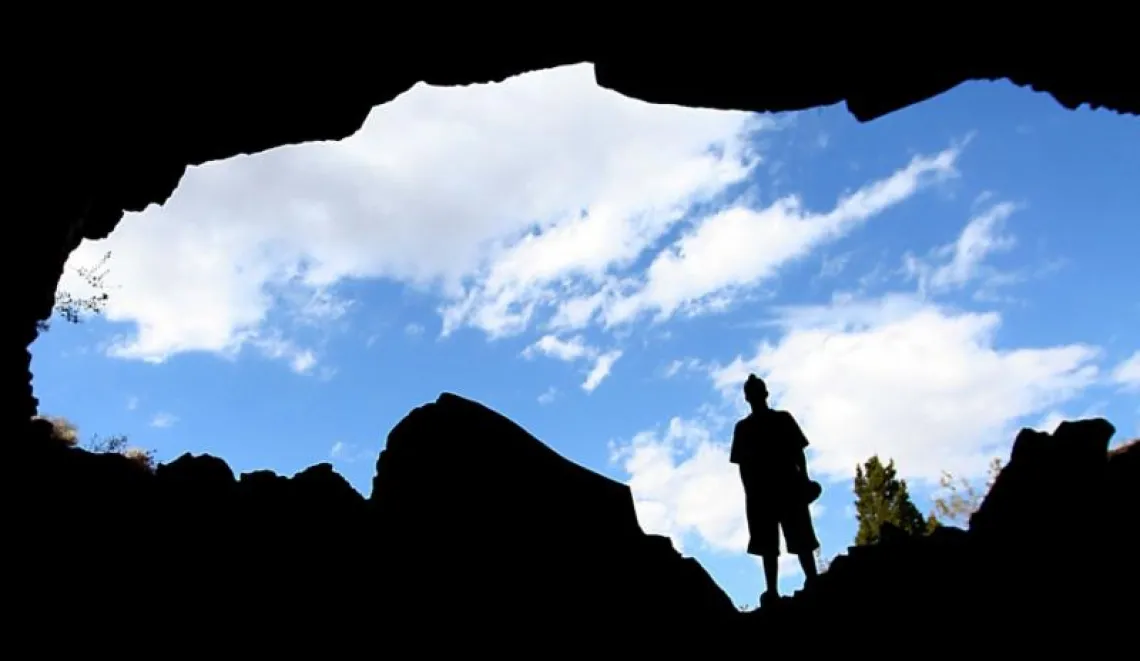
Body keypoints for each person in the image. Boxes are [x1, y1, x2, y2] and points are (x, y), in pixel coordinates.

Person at [730, 373, 821, 606]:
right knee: (769, 545)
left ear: (763, 394)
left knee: (799, 538)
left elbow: (798, 452)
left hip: (786, 486)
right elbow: (742, 466)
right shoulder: (744, 428)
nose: (755, 396)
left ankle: (811, 580)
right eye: (752, 392)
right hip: (764, 492)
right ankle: (773, 590)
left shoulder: (781, 419)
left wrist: (805, 479)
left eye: (756, 391)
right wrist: (750, 493)